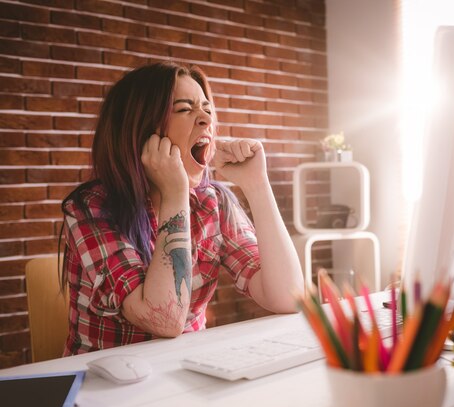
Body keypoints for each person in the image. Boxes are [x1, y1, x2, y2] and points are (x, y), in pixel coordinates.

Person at [60, 62, 304, 355]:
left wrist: (257, 185)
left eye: (207, 109)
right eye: (185, 109)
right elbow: (165, 319)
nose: (205, 120)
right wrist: (175, 192)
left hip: (187, 371)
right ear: (141, 130)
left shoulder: (214, 201)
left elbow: (288, 298)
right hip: (104, 385)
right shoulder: (90, 208)